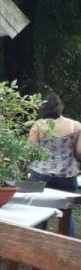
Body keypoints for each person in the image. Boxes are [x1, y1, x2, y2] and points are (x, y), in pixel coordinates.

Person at [28, 92, 81, 237]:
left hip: (39, 175)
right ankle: (69, 248)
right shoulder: (76, 126)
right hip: (67, 176)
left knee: (34, 210)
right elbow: (80, 152)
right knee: (66, 213)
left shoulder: (38, 125)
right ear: (61, 107)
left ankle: (33, 245)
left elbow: (30, 151)